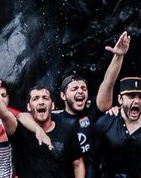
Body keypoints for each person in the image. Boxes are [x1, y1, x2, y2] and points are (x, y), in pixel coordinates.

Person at [51, 32, 132, 160]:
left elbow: (108, 83)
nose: (80, 91)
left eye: (83, 88)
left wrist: (119, 55)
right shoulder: (54, 118)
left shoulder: (93, 111)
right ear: (63, 96)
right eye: (74, 89)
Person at [0, 82, 84, 178]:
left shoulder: (67, 129)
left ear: (52, 105)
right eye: (35, 99)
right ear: (29, 106)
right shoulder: (19, 130)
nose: (41, 102)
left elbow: (78, 164)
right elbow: (4, 114)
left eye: (45, 98)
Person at [89, 76, 141, 178]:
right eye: (131, 96)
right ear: (120, 99)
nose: (136, 101)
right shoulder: (105, 123)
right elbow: (93, 162)